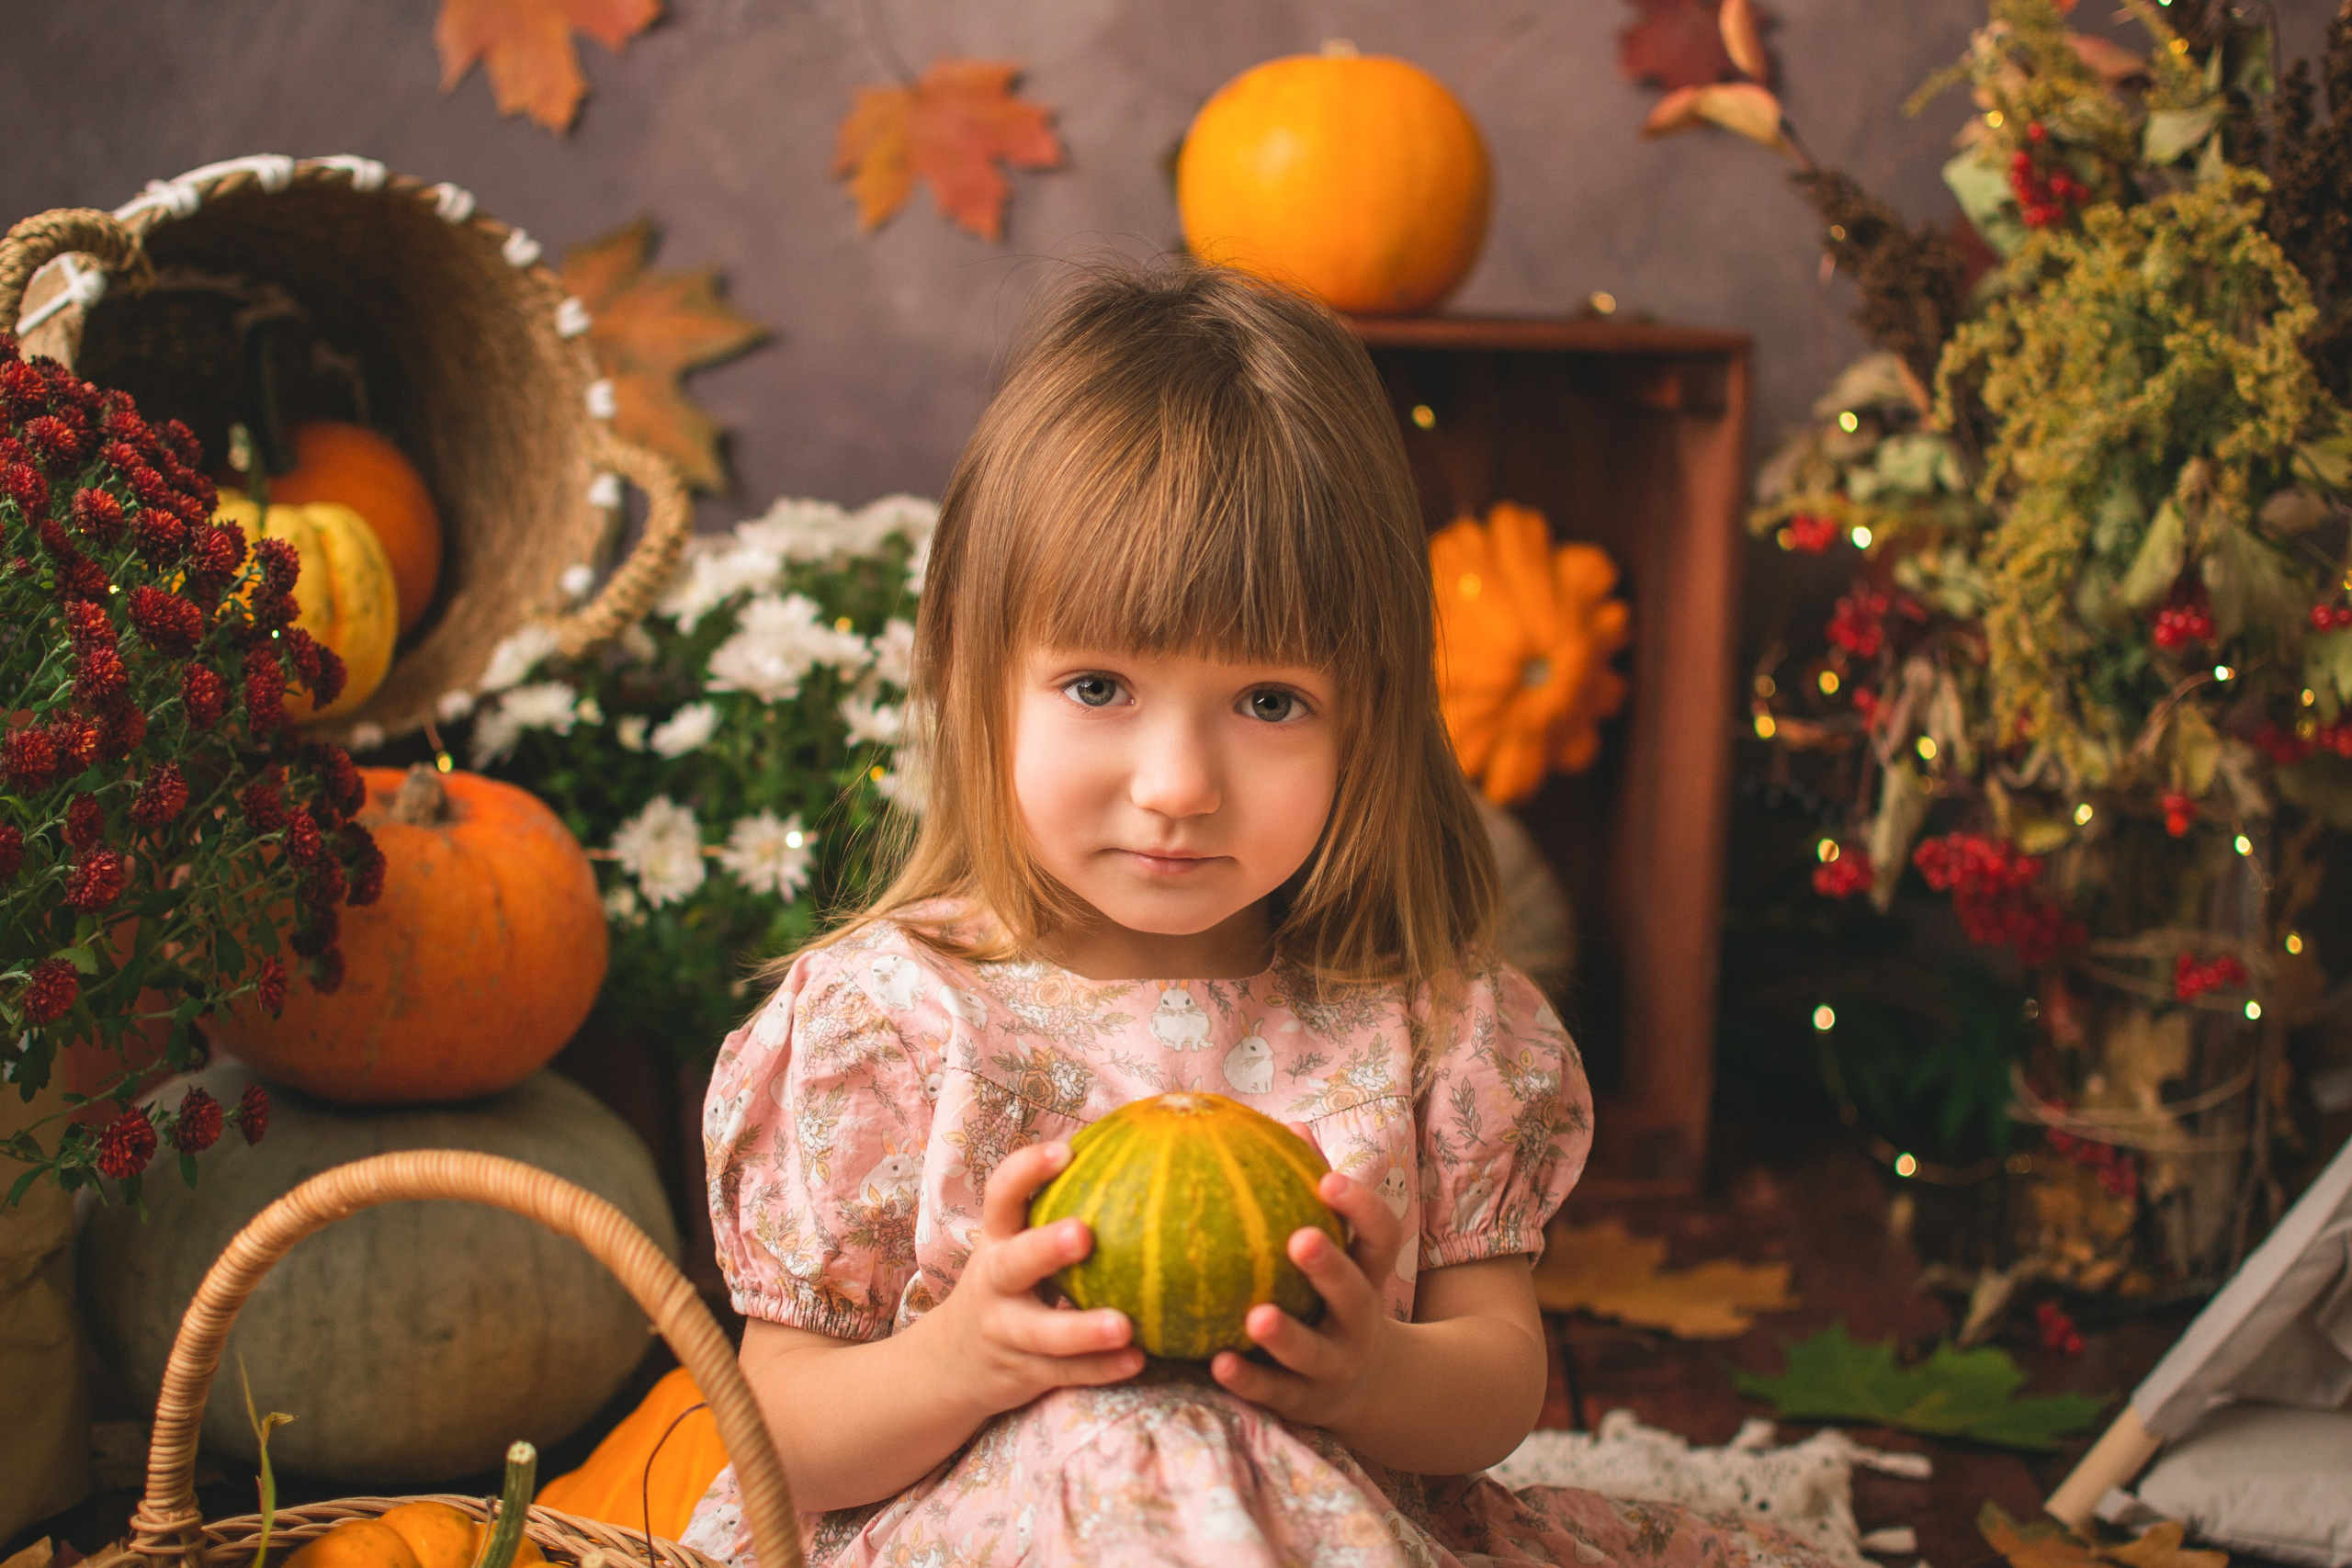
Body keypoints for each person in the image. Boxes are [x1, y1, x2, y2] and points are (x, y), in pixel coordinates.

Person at [684, 261, 1827, 1568]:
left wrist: (1372, 1376)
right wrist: (964, 1355)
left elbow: (1501, 1383)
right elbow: (779, 1436)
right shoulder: (887, 1023)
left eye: (1270, 702)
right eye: (1100, 686)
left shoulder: (1427, 1024)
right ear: (969, 670)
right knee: (1134, 1444)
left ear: (1373, 710)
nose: (1177, 787)